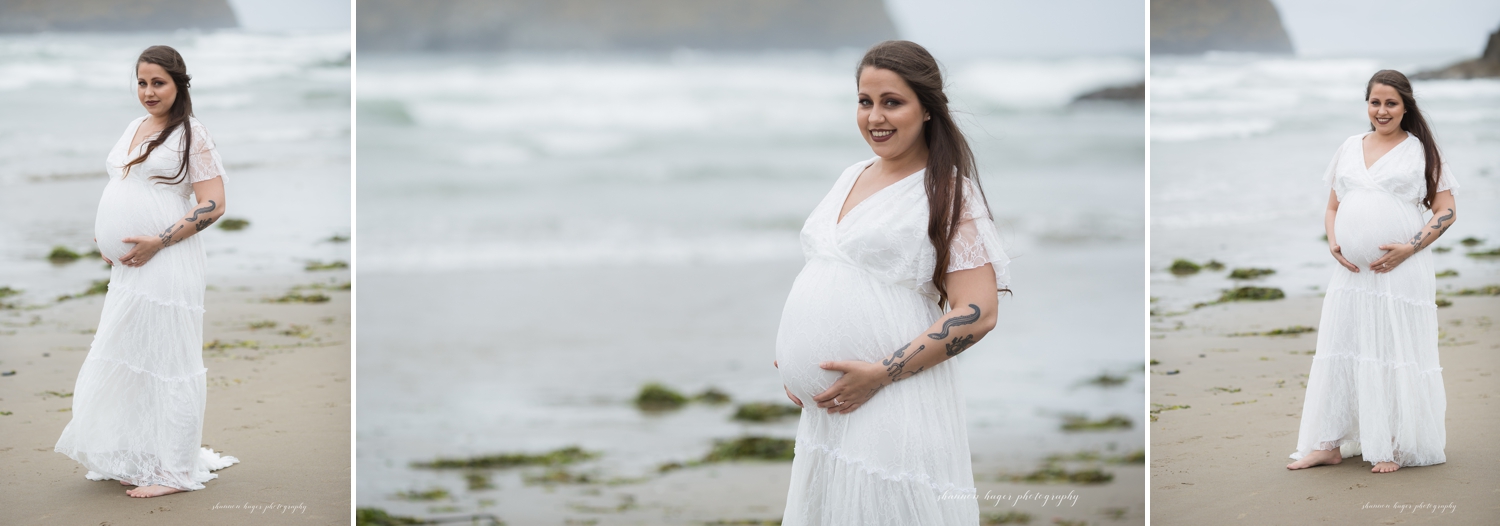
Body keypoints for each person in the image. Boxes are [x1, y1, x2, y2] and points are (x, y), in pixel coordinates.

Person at [772, 40, 1010, 524]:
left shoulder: (947, 193)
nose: (875, 117)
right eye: (865, 101)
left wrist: (880, 373)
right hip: (829, 413)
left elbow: (978, 311)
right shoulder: (851, 175)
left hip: (892, 400)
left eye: (892, 102)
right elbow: (831, 271)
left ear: (926, 109)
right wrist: (793, 355)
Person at [53, 45, 239, 498]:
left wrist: (159, 240)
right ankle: (139, 456)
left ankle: (172, 471)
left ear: (179, 85)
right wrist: (108, 236)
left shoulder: (192, 134)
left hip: (169, 259)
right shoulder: (133, 126)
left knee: (168, 359)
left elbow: (213, 204)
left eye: (158, 82)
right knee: (132, 353)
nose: (148, 92)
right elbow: (123, 185)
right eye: (141, 82)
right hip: (131, 265)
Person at [1287, 69, 1456, 474]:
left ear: (1405, 106)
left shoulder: (1421, 152)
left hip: (1399, 273)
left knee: (1393, 352)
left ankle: (1391, 444)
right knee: (1341, 351)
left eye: (1391, 103)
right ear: (1367, 105)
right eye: (1375, 102)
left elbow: (1446, 211)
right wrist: (1333, 241)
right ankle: (1327, 443)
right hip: (1351, 274)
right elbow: (1332, 207)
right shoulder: (1349, 146)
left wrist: (1409, 248)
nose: (1382, 110)